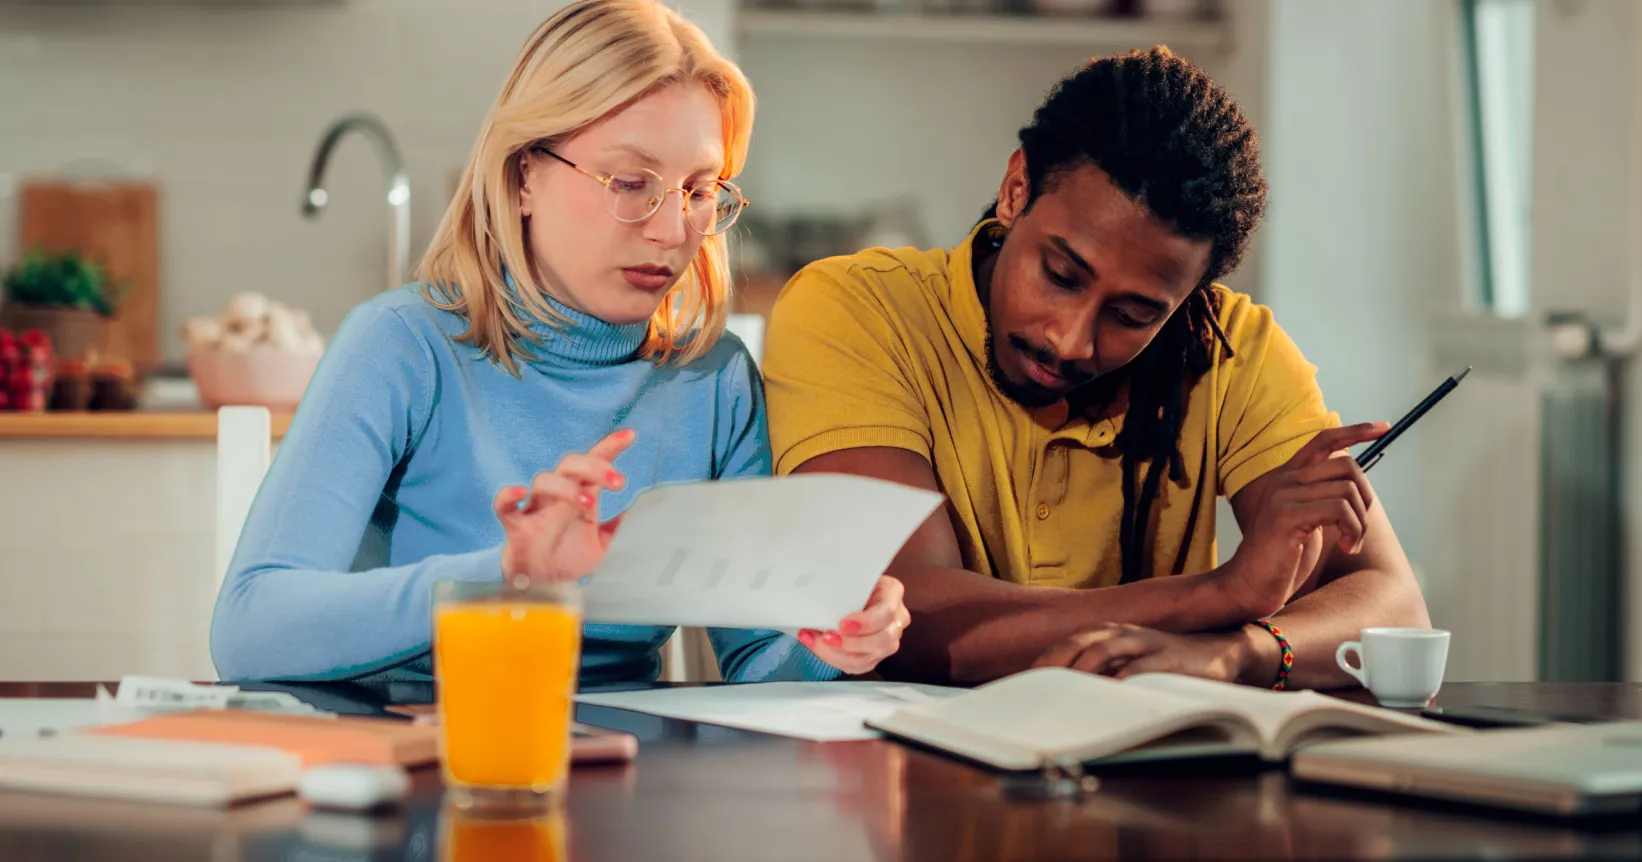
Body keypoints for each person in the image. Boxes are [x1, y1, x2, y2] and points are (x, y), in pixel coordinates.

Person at [210, 0, 909, 685]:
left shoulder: (714, 379)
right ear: (522, 177)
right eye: (631, 183)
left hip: (628, 774)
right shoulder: (402, 347)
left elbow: (760, 657)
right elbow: (250, 630)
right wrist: (508, 570)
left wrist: (837, 639)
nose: (673, 231)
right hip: (411, 755)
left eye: (699, 190)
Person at [761, 47, 1429, 690]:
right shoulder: (855, 308)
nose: (1072, 340)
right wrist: (1219, 595)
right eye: (1060, 274)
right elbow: (915, 620)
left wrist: (1239, 654)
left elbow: (1396, 611)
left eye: (1134, 314)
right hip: (906, 782)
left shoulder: (1228, 348)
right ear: (1016, 189)